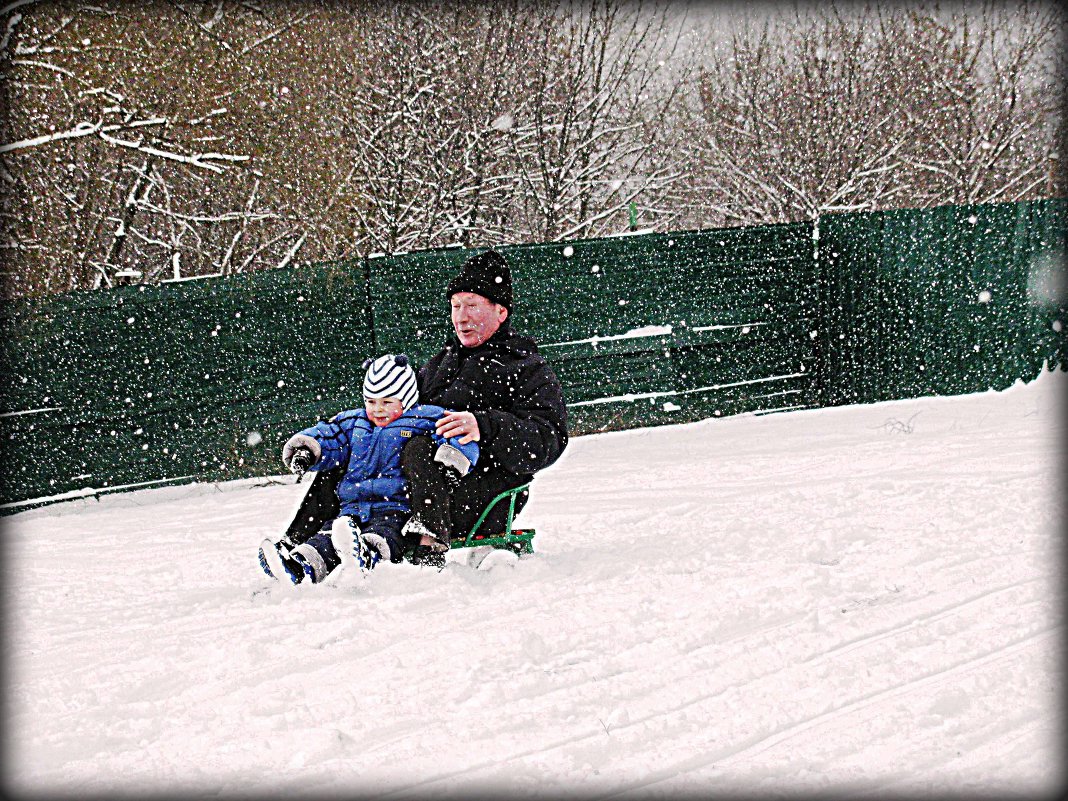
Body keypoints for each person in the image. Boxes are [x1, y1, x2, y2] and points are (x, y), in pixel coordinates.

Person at [271, 248, 568, 569]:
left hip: (479, 491)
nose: (461, 317)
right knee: (354, 446)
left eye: (472, 305)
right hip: (412, 483)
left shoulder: (524, 367)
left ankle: (416, 546)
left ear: (500, 312)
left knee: (418, 448)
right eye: (456, 306)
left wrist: (484, 426)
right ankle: (295, 547)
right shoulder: (442, 365)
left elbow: (548, 437)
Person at [258, 353, 480, 584]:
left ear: (406, 400)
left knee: (383, 536)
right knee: (326, 538)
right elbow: (328, 434)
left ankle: (367, 556)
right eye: (371, 402)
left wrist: (451, 462)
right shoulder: (355, 422)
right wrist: (306, 450)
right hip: (351, 507)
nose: (377, 410)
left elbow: (456, 434)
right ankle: (298, 568)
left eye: (387, 402)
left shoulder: (423, 419)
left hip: (395, 507)